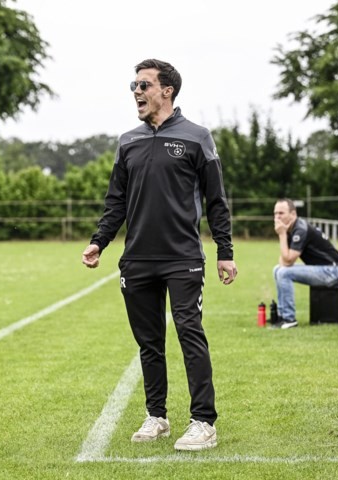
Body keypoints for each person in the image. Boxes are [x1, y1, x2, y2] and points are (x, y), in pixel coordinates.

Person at [81, 59, 236, 451]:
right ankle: (157, 416)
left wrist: (225, 251)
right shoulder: (128, 141)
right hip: (136, 260)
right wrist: (100, 240)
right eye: (133, 85)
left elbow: (216, 200)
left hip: (183, 257)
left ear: (166, 90)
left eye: (143, 84)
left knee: (189, 334)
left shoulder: (197, 136)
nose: (136, 91)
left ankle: (203, 422)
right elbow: (115, 200)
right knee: (149, 343)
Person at [272, 198, 338, 328]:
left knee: (283, 273)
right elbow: (282, 261)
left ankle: (289, 319)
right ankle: (281, 315)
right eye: (275, 213)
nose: (277, 217)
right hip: (323, 269)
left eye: (281, 213)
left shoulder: (300, 229)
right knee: (277, 269)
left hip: (332, 271)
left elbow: (288, 261)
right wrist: (283, 234)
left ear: (293, 214)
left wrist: (282, 235)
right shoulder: (290, 228)